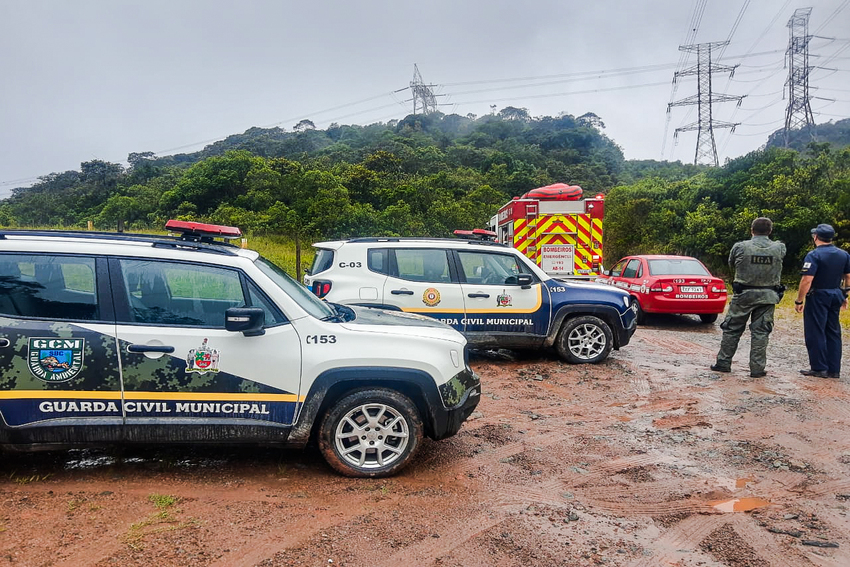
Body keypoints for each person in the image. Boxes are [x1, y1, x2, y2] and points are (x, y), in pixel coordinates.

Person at [712, 217, 786, 377]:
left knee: (732, 329)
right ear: (770, 231)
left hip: (743, 295)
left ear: (752, 230)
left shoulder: (740, 247)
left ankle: (723, 363)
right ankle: (757, 369)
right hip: (768, 295)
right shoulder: (779, 248)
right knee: (761, 332)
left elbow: (731, 264)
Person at [794, 223, 850, 378]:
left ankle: (819, 368)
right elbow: (848, 277)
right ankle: (834, 369)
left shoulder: (814, 255)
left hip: (818, 295)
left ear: (816, 237)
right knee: (833, 331)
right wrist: (844, 295)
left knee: (815, 330)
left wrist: (799, 300)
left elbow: (807, 279)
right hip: (835, 293)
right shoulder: (843, 254)